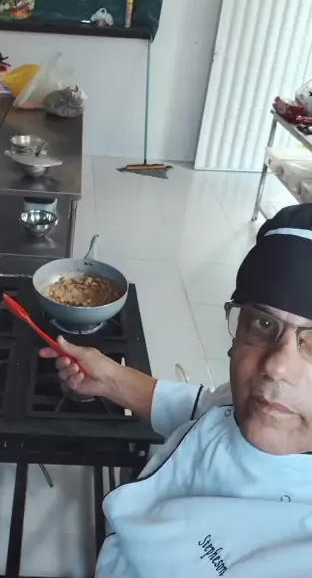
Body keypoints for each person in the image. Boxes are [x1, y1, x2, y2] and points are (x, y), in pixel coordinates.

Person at [40, 204, 312, 577]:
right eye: (263, 323)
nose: (276, 366)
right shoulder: (259, 403)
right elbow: (208, 409)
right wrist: (110, 378)